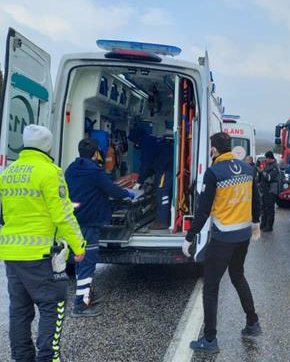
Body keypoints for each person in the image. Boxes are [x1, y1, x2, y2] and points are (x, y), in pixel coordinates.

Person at [0, 125, 86, 362]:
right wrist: (79, 246)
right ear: (48, 146)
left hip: (12, 254)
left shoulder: (8, 172)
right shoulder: (50, 172)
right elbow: (63, 214)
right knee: (53, 307)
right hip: (41, 256)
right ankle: (47, 358)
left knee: (19, 312)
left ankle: (22, 358)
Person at [181, 132, 262, 354]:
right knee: (238, 276)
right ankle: (252, 323)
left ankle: (209, 340)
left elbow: (203, 210)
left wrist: (190, 237)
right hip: (243, 236)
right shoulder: (247, 169)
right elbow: (257, 199)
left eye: (211, 148)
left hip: (223, 237)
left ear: (214, 149)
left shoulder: (213, 172)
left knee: (211, 286)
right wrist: (255, 223)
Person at [65, 138, 135, 317]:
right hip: (90, 223)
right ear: (96, 153)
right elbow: (112, 190)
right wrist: (128, 194)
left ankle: (85, 297)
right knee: (88, 262)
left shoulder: (70, 170)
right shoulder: (95, 172)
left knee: (81, 261)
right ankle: (79, 306)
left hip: (75, 221)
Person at [128, 126, 173, 230]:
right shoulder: (152, 140)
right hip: (165, 168)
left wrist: (139, 182)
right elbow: (150, 164)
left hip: (165, 169)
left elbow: (146, 164)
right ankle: (164, 218)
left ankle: (162, 222)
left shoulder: (147, 144)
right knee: (162, 192)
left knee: (162, 192)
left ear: (137, 139)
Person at [258, 151, 280, 232]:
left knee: (270, 209)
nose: (265, 160)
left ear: (270, 158)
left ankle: (269, 226)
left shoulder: (275, 167)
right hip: (265, 191)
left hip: (271, 191)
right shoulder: (268, 165)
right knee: (263, 208)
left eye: (266, 158)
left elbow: (269, 178)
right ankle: (263, 224)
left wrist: (262, 172)